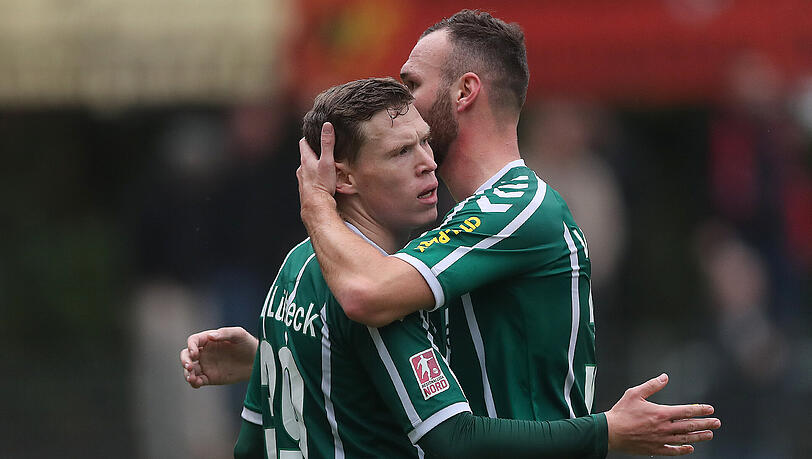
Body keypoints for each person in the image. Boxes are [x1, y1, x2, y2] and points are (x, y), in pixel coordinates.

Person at [183, 77, 719, 458]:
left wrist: (279, 360)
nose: (427, 161)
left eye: (424, 142)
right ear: (341, 178)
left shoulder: (294, 268)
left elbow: (252, 442)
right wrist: (606, 433)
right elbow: (454, 439)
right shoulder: (378, 290)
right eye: (400, 152)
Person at [294, 9, 718, 455]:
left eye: (413, 84)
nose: (402, 105)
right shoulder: (455, 213)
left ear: (464, 91)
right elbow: (416, 357)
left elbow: (366, 294)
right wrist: (282, 351)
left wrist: (317, 202)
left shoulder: (514, 208)